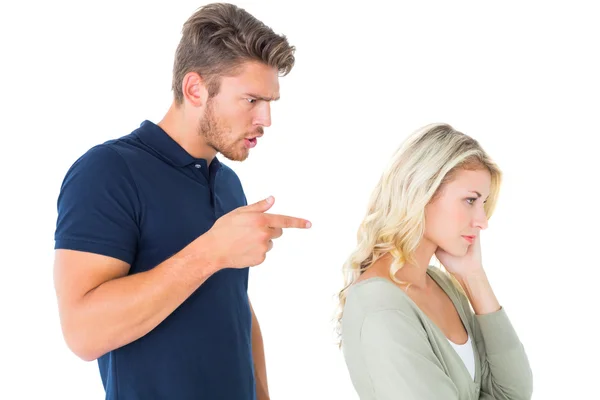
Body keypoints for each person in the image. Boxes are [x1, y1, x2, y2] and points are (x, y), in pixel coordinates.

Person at [53, 3, 311, 399]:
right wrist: (211, 253)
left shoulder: (227, 184)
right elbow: (82, 332)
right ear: (195, 89)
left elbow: (233, 302)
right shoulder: (108, 171)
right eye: (251, 100)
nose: (267, 119)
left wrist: (261, 392)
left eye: (270, 102)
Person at [336, 123, 533, 399]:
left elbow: (512, 393)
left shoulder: (442, 285)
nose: (482, 221)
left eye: (483, 204)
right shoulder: (379, 306)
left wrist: (474, 277)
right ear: (422, 192)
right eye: (470, 200)